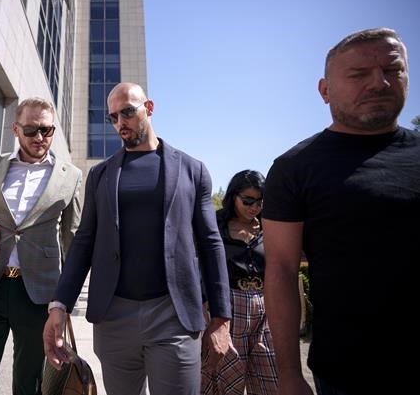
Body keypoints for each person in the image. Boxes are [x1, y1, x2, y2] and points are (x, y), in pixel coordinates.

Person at [43, 82, 232, 395]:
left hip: (174, 315)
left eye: (127, 112)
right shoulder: (100, 175)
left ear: (149, 108)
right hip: (114, 318)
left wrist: (222, 318)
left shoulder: (193, 171)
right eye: (113, 117)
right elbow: (84, 241)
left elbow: (211, 243)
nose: (120, 122)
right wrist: (59, 304)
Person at [263, 27, 419, 395]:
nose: (379, 82)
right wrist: (289, 375)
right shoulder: (294, 168)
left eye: (392, 70)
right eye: (359, 74)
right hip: (348, 373)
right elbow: (281, 269)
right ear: (325, 90)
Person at [0, 97, 82, 395]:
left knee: (28, 381)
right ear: (16, 129)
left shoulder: (71, 176)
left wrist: (65, 301)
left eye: (46, 130)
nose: (39, 137)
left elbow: (72, 238)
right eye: (31, 130)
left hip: (38, 293)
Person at [201, 170, 277, 395]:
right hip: (227, 309)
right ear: (233, 196)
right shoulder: (215, 225)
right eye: (248, 201)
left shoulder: (270, 225)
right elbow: (201, 265)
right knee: (224, 379)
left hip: (265, 309)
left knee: (270, 378)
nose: (255, 207)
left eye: (260, 202)